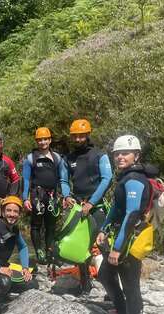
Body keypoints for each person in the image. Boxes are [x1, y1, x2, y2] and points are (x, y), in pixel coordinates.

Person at [96, 135, 155, 314]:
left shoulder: (134, 180)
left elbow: (131, 216)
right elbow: (116, 209)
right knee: (105, 274)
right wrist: (104, 228)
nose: (120, 157)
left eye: (125, 153)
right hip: (121, 236)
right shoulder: (125, 176)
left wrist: (117, 249)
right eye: (117, 153)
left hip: (130, 240)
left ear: (136, 155)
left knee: (131, 288)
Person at [61, 119, 113, 294]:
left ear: (87, 135)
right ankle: (85, 282)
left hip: (96, 206)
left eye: (81, 136)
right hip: (78, 206)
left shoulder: (99, 155)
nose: (78, 139)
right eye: (75, 136)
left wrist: (91, 202)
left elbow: (107, 179)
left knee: (103, 244)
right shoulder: (68, 158)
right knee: (80, 245)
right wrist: (67, 195)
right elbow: (63, 179)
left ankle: (112, 285)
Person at [0, 195, 38, 309]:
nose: (12, 214)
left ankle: (4, 292)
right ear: (3, 212)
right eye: (8, 210)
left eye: (15, 211)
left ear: (19, 214)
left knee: (32, 283)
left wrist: (25, 268)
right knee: (4, 282)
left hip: (5, 270)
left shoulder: (14, 229)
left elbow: (23, 247)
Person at [22, 127, 66, 265]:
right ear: (36, 141)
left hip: (52, 196)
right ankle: (39, 251)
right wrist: (25, 198)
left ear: (50, 140)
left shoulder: (57, 158)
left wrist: (65, 195)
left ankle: (49, 250)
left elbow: (63, 178)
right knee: (36, 225)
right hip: (37, 195)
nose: (43, 142)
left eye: (45, 139)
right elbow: (26, 180)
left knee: (51, 225)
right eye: (40, 139)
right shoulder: (30, 158)